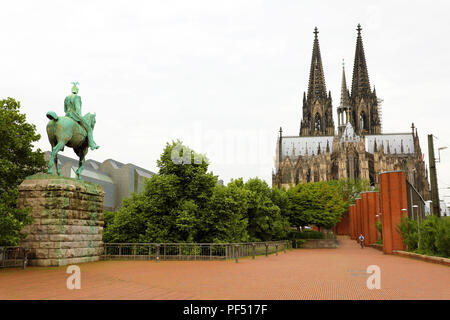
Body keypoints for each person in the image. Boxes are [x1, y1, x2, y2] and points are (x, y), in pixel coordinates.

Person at [64, 82, 100, 150]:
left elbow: (65, 109)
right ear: (77, 91)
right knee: (89, 129)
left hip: (67, 115)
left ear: (72, 90)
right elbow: (78, 109)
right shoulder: (77, 97)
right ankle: (92, 145)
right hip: (75, 115)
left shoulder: (67, 98)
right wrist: (80, 117)